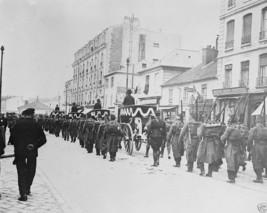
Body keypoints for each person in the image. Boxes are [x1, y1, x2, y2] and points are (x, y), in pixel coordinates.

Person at [9, 108, 47, 201]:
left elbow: (12, 140)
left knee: (21, 172)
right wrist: (34, 145)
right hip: (32, 151)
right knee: (31, 170)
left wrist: (18, 146)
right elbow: (43, 139)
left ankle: (23, 194)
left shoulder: (17, 124)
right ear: (32, 115)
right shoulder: (36, 124)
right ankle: (27, 188)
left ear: (24, 115)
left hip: (19, 152)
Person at [247, 116, 267, 183]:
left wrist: (249, 148)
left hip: (257, 147)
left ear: (256, 121)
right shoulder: (266, 129)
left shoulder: (254, 129)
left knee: (256, 162)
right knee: (264, 161)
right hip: (265, 147)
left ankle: (259, 177)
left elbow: (250, 140)